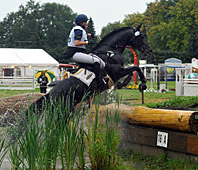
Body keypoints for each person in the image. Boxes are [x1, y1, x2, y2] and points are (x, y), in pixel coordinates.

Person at [64, 14, 105, 83]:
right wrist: (87, 43)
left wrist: (87, 36)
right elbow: (77, 43)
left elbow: (80, 38)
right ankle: (98, 81)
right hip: (75, 53)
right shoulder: (78, 30)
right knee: (96, 61)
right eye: (86, 22)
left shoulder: (79, 29)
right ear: (81, 23)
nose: (87, 24)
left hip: (77, 53)